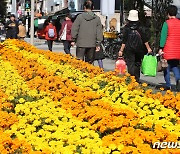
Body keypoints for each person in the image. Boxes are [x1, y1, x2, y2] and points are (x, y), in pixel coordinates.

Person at [118, 10, 152, 82]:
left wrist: (121, 50)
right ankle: (136, 79)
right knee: (137, 63)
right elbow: (144, 39)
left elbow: (124, 40)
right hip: (139, 48)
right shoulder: (141, 27)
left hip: (129, 48)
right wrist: (148, 48)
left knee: (130, 63)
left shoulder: (126, 28)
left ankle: (131, 78)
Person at [158, 5, 180, 91]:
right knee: (174, 66)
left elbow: (163, 37)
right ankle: (178, 79)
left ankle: (168, 85)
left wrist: (161, 48)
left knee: (166, 67)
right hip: (178, 50)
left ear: (168, 14)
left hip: (168, 49)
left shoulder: (166, 23)